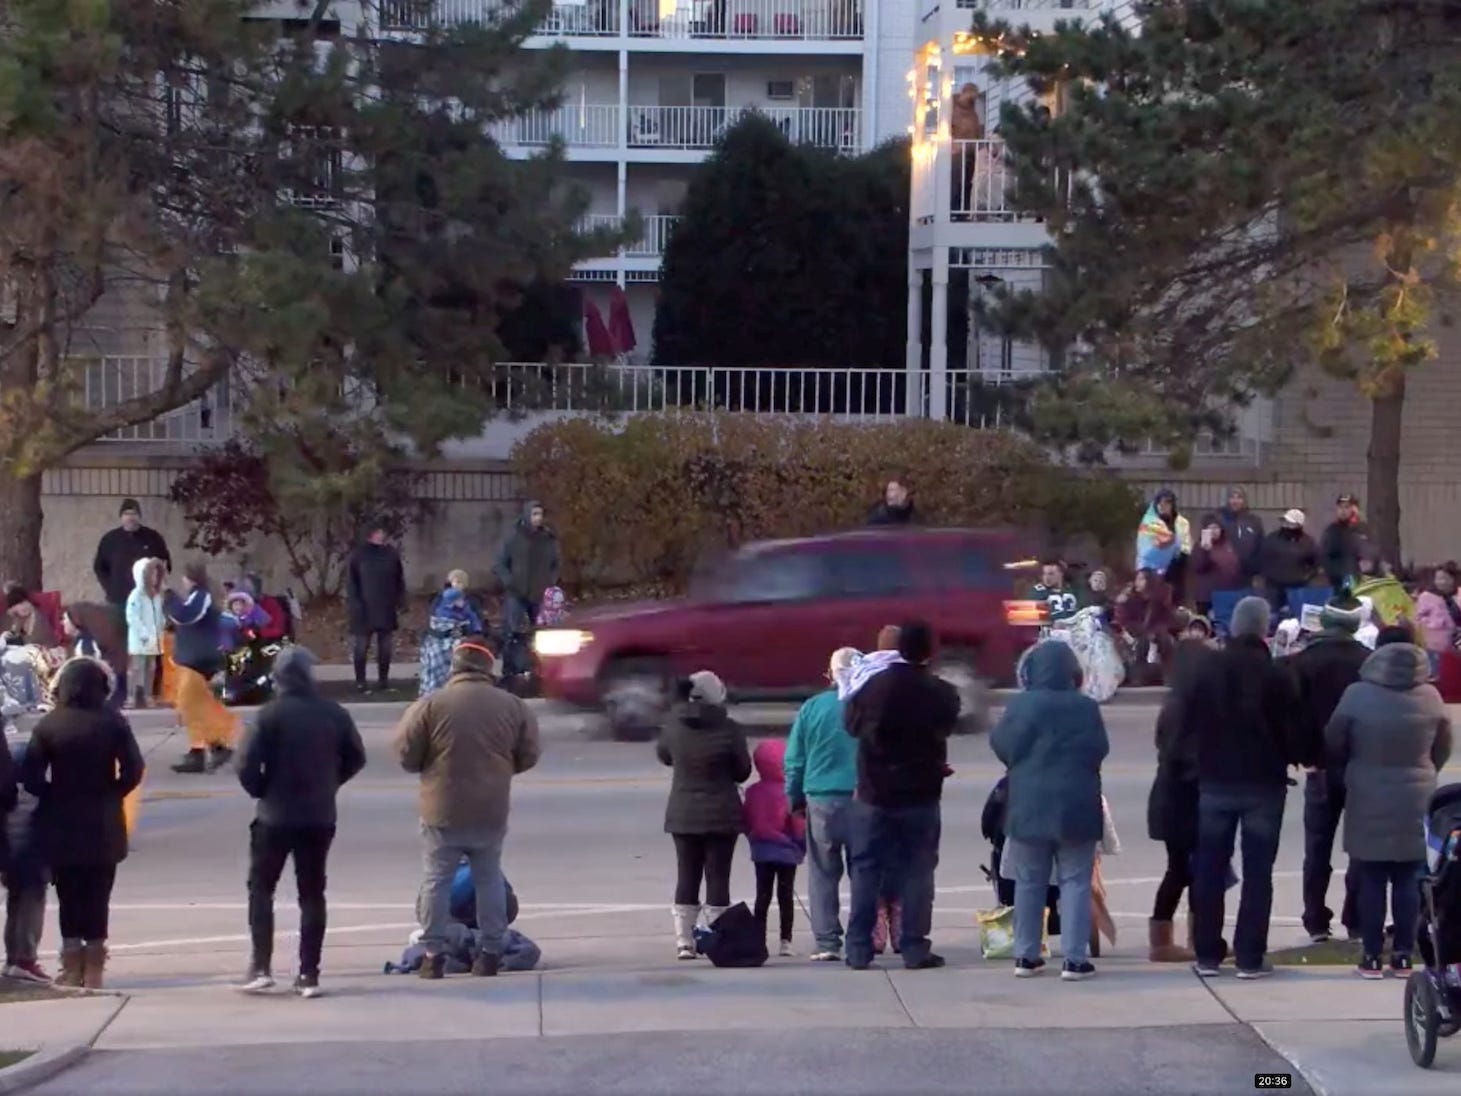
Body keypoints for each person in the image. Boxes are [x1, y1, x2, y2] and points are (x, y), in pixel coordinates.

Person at [395, 637, 540, 979]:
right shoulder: (513, 706)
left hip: (441, 808)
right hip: (490, 807)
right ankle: (490, 953)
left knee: (436, 880)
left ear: (455, 666)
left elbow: (406, 753)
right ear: (489, 667)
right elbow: (529, 753)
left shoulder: (430, 704)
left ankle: (433, 955)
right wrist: (501, 770)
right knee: (488, 878)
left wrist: (430, 766)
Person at [235, 647, 367, 998]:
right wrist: (332, 782)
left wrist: (261, 789)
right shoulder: (333, 713)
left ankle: (261, 966)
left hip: (274, 815)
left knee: (262, 888)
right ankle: (309, 973)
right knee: (312, 893)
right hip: (319, 815)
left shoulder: (268, 715)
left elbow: (245, 763)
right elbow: (356, 757)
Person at [1186, 596, 1302, 979]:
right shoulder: (1277, 675)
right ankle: (1250, 955)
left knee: (1210, 868)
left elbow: (1187, 724)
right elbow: (1293, 730)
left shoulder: (1207, 671)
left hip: (1215, 780)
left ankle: (1207, 953)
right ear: (1264, 628)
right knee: (1258, 873)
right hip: (1263, 783)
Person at [1325, 634, 1452, 977]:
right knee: (1410, 878)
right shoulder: (1430, 697)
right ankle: (1403, 954)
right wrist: (1425, 771)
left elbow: (1334, 740)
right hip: (1416, 793)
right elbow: (1442, 746)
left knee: (1371, 876)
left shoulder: (1356, 696)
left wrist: (1348, 769)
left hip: (1367, 789)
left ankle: (1370, 954)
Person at [19, 657, 144, 989]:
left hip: (61, 819)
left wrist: (51, 794)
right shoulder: (113, 722)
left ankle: (71, 963)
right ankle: (95, 966)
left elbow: (30, 776)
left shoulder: (49, 725)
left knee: (69, 894)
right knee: (98, 894)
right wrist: (114, 792)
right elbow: (134, 768)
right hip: (103, 818)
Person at [843, 622, 960, 971]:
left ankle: (859, 948)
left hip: (873, 793)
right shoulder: (941, 692)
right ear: (930, 651)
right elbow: (946, 726)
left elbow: (850, 726)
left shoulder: (870, 687)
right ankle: (914, 946)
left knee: (865, 870)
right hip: (920, 793)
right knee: (918, 870)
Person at [991, 641, 1110, 980]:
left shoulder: (1021, 706)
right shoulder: (1087, 708)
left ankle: (1026, 956)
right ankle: (1074, 959)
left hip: (1028, 804)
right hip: (1077, 805)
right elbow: (1099, 749)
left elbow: (1001, 744)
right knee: (1075, 881)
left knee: (1029, 881)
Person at [1289, 598, 1370, 943]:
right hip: (1360, 763)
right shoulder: (1367, 662)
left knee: (1317, 847)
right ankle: (1356, 917)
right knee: (1360, 846)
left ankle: (1316, 918)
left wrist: (1301, 752)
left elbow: (1291, 713)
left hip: (1318, 765)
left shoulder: (1302, 662)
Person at [658, 670, 751, 960]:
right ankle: (716, 937)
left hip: (683, 811)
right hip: (722, 813)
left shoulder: (674, 724)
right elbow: (742, 770)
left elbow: (664, 756)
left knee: (686, 874)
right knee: (718, 877)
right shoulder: (730, 728)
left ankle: (684, 941)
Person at [784, 647, 860, 962]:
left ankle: (827, 940)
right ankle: (862, 936)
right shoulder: (866, 708)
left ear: (829, 674)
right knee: (864, 872)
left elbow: (795, 760)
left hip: (821, 798)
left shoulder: (812, 708)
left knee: (823, 872)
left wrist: (794, 798)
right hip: (862, 798)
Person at [1146, 638, 1219, 963]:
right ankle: (1182, 939)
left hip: (1169, 797)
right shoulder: (1195, 707)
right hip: (1186, 799)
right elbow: (1185, 756)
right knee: (1187, 870)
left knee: (1183, 869)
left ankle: (1179, 937)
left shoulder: (1174, 703)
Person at [92, 499, 171, 707]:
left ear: (139, 516)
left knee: (152, 653)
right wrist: (110, 588)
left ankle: (149, 693)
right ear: (121, 517)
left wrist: (158, 588)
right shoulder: (110, 539)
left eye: (134, 513)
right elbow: (99, 567)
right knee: (122, 649)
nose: (130, 517)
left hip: (149, 602)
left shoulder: (152, 538)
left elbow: (164, 563)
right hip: (118, 602)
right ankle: (122, 693)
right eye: (126, 513)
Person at [165, 562, 238, 774]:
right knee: (193, 705)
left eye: (184, 578)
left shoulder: (200, 595)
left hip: (198, 661)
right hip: (193, 659)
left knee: (189, 704)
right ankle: (205, 750)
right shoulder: (195, 597)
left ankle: (212, 749)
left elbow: (187, 616)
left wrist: (169, 598)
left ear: (191, 578)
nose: (183, 582)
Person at [743, 739, 805, 958]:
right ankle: (785, 941)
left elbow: (746, 820)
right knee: (785, 896)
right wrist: (801, 845)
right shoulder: (789, 792)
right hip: (787, 852)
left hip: (761, 851)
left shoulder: (752, 792)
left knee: (763, 896)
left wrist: (752, 837)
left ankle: (759, 938)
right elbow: (798, 823)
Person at [493, 502, 561, 680]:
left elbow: (555, 563)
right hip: (516, 591)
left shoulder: (548, 538)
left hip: (540, 592)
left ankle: (540, 670)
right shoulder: (513, 537)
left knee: (541, 633)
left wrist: (550, 582)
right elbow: (499, 564)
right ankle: (509, 671)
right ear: (526, 516)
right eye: (534, 514)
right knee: (512, 631)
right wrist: (510, 582)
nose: (538, 518)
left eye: (540, 514)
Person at [3, 732, 48, 983]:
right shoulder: (33, 795)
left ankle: (13, 958)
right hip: (30, 856)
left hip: (10, 855)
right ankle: (25, 958)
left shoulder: (7, 792)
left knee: (14, 906)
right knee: (31, 907)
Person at [346, 522, 406, 695]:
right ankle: (360, 682)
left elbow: (398, 579)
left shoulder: (391, 554)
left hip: (386, 607)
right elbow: (351, 583)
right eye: (378, 531)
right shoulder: (358, 555)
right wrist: (355, 604)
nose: (381, 535)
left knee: (385, 647)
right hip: (363, 609)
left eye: (382, 532)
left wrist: (400, 600)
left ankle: (383, 681)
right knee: (361, 646)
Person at [418, 574, 485, 698]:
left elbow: (475, 620)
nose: (458, 584)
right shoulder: (439, 600)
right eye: (456, 581)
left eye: (461, 582)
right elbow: (433, 624)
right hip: (439, 642)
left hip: (460, 642)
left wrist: (471, 629)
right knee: (437, 664)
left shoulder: (470, 601)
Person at [1114, 569, 1176, 681]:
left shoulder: (1159, 600)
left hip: (1154, 632)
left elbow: (1167, 619)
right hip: (1134, 633)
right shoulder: (1129, 599)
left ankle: (1169, 675)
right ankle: (1137, 677)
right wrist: (1144, 631)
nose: (1137, 582)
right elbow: (1125, 621)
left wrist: (1155, 631)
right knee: (1143, 643)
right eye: (1137, 579)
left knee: (1165, 640)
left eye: (1141, 579)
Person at [1136, 489, 1192, 607]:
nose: (1162, 506)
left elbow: (1186, 547)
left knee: (1174, 606)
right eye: (1159, 503)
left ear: (1172, 505)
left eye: (1166, 503)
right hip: (1151, 572)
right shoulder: (1150, 523)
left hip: (1176, 571)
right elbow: (1144, 547)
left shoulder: (1182, 523)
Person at [123, 558, 166, 709]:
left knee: (151, 667)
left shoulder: (156, 596)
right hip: (140, 640)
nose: (154, 578)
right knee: (136, 668)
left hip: (154, 639)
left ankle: (148, 696)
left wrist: (162, 625)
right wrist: (143, 632)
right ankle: (131, 696)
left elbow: (159, 615)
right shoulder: (136, 595)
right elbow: (132, 616)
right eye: (151, 575)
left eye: (156, 575)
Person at [1260, 509, 1320, 616]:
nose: (1286, 525)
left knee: (1297, 616)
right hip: (1274, 588)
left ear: (1299, 525)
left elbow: (1315, 563)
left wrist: (1306, 577)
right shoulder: (1272, 538)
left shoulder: (1308, 542)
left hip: (1297, 588)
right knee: (1273, 616)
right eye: (1285, 522)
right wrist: (1268, 575)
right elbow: (1263, 558)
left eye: (1290, 523)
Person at [1191, 513, 1243, 620]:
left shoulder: (1228, 545)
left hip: (1226, 594)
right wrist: (1205, 551)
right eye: (1210, 528)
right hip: (1207, 597)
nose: (1214, 531)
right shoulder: (1199, 547)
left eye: (1216, 527)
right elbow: (1198, 566)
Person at [1414, 566, 1461, 673]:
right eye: (1438, 579)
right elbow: (1418, 618)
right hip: (1436, 645)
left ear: (1454, 579)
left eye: (1446, 578)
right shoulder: (1427, 597)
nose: (1442, 582)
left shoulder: (1458, 595)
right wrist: (1436, 622)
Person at [1320, 494, 1369, 591]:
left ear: (1354, 509)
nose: (1343, 511)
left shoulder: (1361, 529)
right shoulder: (1331, 530)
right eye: (1340, 507)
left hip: (1358, 579)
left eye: (1347, 507)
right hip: (1337, 580)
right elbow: (1325, 554)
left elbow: (1367, 552)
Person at [1217, 488, 1265, 585]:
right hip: (1222, 573)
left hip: (1247, 574)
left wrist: (1255, 568)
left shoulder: (1254, 521)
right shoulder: (1218, 519)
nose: (1235, 501)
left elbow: (1260, 545)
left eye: (1239, 498)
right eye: (1232, 497)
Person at [1028, 559, 1083, 624]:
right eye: (1044, 574)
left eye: (1051, 574)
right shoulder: (1038, 591)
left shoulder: (1074, 589)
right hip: (1051, 631)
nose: (1046, 578)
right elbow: (1033, 617)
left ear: (1061, 574)